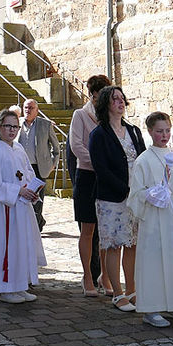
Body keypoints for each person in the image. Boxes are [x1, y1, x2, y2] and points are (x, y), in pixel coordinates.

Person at [128, 111, 173, 327]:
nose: (164, 135)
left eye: (167, 130)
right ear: (150, 131)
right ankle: (151, 308)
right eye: (159, 131)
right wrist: (149, 195)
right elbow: (136, 192)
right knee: (154, 260)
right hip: (155, 215)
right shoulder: (144, 160)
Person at [0, 110, 46, 303]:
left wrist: (32, 188)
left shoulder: (18, 149)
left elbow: (28, 172)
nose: (12, 130)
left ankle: (20, 284)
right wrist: (17, 190)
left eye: (15, 126)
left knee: (22, 245)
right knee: (7, 246)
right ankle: (5, 287)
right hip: (5, 209)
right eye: (8, 126)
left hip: (22, 207)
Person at [89, 86, 146, 312]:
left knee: (132, 243)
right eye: (115, 99)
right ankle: (118, 293)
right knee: (114, 244)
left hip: (135, 195)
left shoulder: (133, 131)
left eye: (122, 99)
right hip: (113, 197)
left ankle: (132, 289)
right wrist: (124, 189)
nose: (120, 103)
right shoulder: (99, 134)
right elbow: (100, 168)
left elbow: (142, 159)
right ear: (106, 104)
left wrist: (140, 188)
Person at [70, 75, 110, 296]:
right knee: (88, 230)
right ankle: (87, 276)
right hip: (86, 175)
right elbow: (77, 145)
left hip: (105, 178)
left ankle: (105, 275)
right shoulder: (80, 115)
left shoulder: (110, 116)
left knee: (105, 231)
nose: (99, 102)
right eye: (96, 97)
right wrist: (100, 163)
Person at [18, 98, 61, 232]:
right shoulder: (17, 124)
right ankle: (38, 221)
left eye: (31, 108)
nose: (27, 110)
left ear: (37, 111)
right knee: (23, 197)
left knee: (37, 199)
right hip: (21, 167)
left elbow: (56, 148)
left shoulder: (45, 125)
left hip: (39, 167)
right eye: (25, 107)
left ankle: (35, 227)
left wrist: (53, 164)